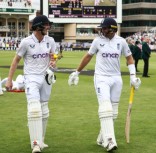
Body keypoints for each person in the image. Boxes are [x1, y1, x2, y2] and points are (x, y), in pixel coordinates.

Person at [68, 17, 141, 152]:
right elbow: (88, 56)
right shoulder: (97, 41)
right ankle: (109, 140)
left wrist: (133, 77)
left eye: (105, 28)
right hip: (101, 77)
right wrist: (77, 72)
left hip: (116, 78)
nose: (102, 30)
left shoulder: (121, 42)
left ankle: (101, 138)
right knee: (106, 108)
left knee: (113, 112)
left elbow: (130, 58)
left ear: (113, 29)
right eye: (102, 28)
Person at [5, 15, 57, 153]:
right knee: (34, 109)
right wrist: (10, 80)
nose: (48, 27)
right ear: (39, 26)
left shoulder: (50, 40)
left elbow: (54, 57)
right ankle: (35, 143)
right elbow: (16, 60)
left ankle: (41, 140)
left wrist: (53, 62)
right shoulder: (26, 42)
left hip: (46, 77)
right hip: (31, 78)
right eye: (46, 25)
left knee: (44, 110)